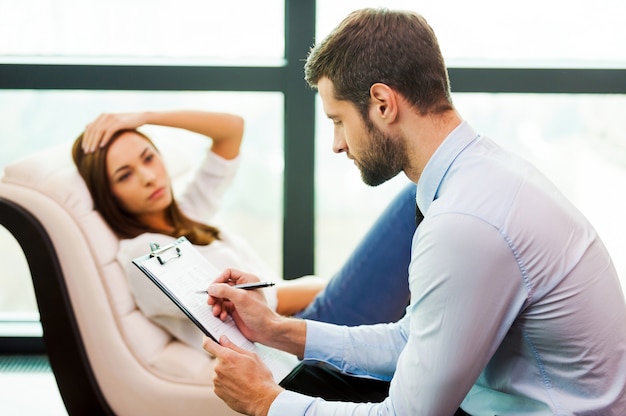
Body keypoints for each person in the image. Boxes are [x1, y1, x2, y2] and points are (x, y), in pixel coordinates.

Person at [202, 8, 626, 415]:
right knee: (311, 380)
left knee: (290, 397)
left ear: (383, 104)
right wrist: (276, 330)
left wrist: (263, 401)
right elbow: (413, 338)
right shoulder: (483, 174)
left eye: (338, 120)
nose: (337, 144)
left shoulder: (463, 223)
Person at [72, 110, 417, 351]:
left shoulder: (186, 213)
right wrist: (332, 287)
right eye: (125, 175)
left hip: (306, 322)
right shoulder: (143, 253)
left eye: (148, 158)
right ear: (108, 194)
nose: (148, 176)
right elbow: (244, 310)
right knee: (415, 197)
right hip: (297, 337)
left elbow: (231, 129)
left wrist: (143, 117)